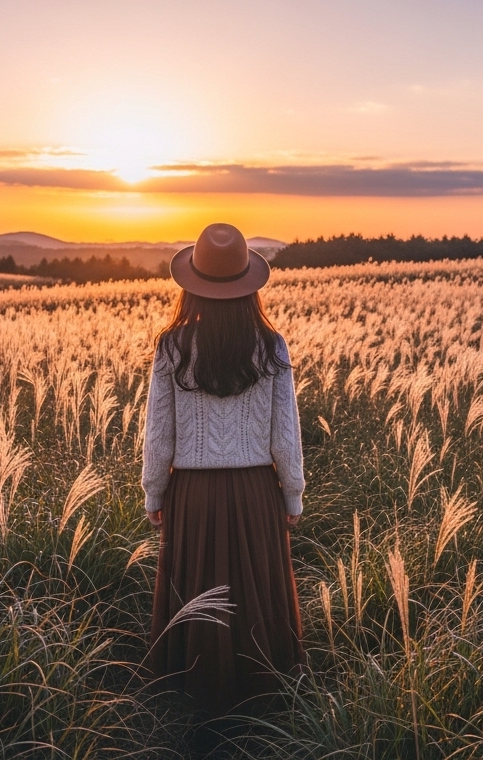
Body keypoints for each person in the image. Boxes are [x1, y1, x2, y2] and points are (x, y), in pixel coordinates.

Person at [141, 222, 305, 716]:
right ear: (248, 285)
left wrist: (154, 493)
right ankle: (261, 699)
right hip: (256, 491)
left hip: (191, 493)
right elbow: (285, 431)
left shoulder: (172, 347)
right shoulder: (272, 346)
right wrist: (292, 492)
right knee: (256, 590)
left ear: (191, 286)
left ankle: (193, 699)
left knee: (196, 589)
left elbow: (159, 433)